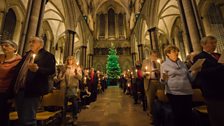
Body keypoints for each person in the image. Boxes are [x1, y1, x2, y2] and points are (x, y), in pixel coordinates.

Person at [13, 37, 56, 126]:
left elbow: (51, 70)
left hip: (32, 90)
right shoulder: (26, 55)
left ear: (40, 44)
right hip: (19, 90)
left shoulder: (47, 55)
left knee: (28, 120)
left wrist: (38, 69)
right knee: (21, 118)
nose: (30, 43)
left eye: (33, 42)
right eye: (30, 41)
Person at [160, 45, 195, 126]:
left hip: (187, 91)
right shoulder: (164, 65)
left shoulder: (182, 64)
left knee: (189, 115)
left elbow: (190, 78)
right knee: (179, 115)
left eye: (177, 51)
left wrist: (194, 71)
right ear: (168, 54)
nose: (177, 53)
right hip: (174, 93)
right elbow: (163, 82)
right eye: (174, 51)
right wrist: (163, 79)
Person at [193, 36, 224, 126]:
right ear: (203, 44)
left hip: (222, 89)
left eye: (215, 43)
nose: (214, 45)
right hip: (213, 92)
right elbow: (203, 73)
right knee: (218, 118)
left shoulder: (217, 55)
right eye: (211, 43)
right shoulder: (199, 57)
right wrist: (221, 66)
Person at [0, 40, 21, 126]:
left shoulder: (19, 61)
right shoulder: (0, 57)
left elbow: (18, 78)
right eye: (2, 46)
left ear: (14, 48)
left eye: (7, 45)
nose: (3, 47)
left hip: (6, 91)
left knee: (2, 115)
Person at [142, 50, 164, 114]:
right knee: (150, 100)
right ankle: (152, 115)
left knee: (161, 98)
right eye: (153, 56)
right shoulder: (145, 61)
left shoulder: (159, 62)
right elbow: (142, 72)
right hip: (150, 82)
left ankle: (160, 115)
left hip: (159, 82)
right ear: (150, 55)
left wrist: (159, 71)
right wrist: (147, 73)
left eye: (156, 56)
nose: (155, 57)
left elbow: (164, 71)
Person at [61, 56, 82, 125]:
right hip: (65, 87)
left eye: (71, 59)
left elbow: (80, 77)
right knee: (64, 104)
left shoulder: (77, 68)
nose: (69, 61)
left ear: (73, 60)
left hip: (73, 87)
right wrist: (61, 76)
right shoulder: (65, 68)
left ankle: (74, 117)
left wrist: (76, 73)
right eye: (68, 59)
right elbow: (59, 77)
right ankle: (64, 119)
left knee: (74, 103)